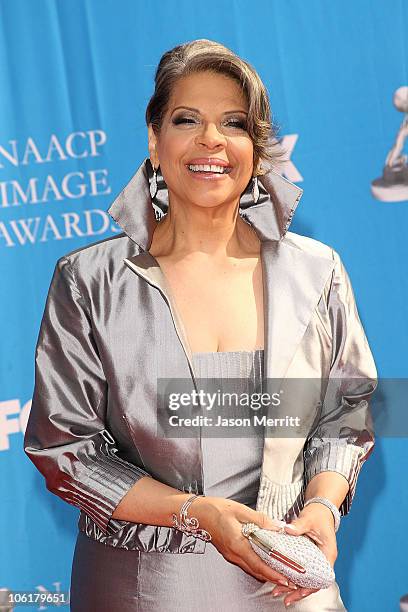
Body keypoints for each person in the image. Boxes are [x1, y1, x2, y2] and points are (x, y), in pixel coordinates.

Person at [24, 39, 377, 611]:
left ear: (257, 149)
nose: (211, 139)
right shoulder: (89, 281)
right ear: (154, 139)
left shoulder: (317, 271)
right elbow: (67, 449)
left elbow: (348, 411)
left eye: (233, 123)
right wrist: (199, 515)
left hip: (290, 580)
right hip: (143, 587)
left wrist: (319, 510)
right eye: (188, 119)